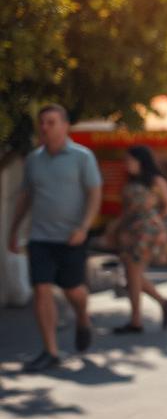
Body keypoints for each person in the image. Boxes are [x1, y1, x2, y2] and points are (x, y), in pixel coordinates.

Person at [8, 105, 102, 372]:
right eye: (42, 123)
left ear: (65, 126)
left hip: (72, 236)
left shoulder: (82, 157)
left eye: (51, 122)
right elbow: (25, 197)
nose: (45, 128)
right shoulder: (34, 160)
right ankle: (50, 350)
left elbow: (94, 193)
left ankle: (83, 317)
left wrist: (84, 227)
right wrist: (14, 231)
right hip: (40, 237)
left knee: (73, 289)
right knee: (41, 288)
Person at [107, 145, 167, 333]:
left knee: (133, 272)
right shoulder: (129, 182)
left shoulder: (155, 180)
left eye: (130, 160)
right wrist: (117, 228)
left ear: (141, 161)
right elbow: (127, 210)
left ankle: (136, 320)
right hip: (130, 230)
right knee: (132, 275)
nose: (127, 164)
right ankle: (162, 303)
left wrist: (154, 224)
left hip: (147, 232)